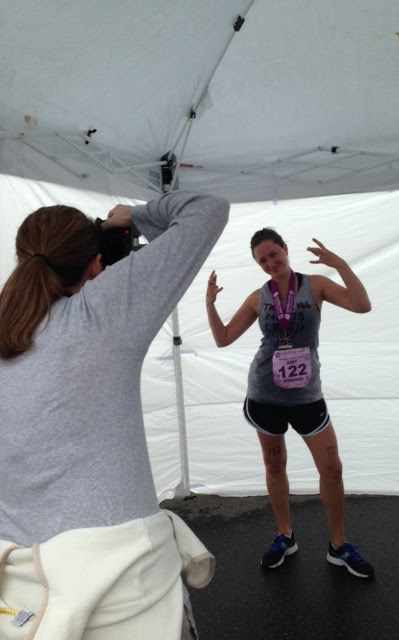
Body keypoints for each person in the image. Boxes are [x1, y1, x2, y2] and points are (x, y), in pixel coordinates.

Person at [0, 190, 229, 640]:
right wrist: (134, 216)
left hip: (22, 601)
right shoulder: (102, 310)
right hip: (129, 600)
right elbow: (208, 210)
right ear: (95, 266)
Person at [205, 227, 374, 578]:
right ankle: (285, 536)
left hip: (307, 396)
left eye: (273, 254)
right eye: (262, 260)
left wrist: (340, 264)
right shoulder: (258, 297)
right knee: (275, 465)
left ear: (284, 249)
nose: (270, 263)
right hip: (265, 394)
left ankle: (338, 546)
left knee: (332, 468)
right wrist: (209, 305)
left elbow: (362, 305)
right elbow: (223, 338)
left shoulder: (316, 285)